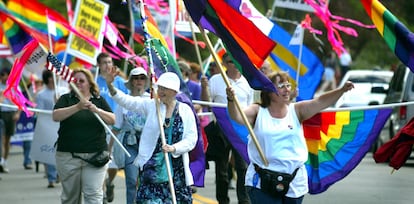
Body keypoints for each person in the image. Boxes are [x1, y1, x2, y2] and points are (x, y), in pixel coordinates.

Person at [226, 71, 354, 203]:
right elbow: (237, 116)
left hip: (294, 182)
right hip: (261, 181)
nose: (287, 89)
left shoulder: (297, 110)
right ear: (269, 91)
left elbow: (320, 101)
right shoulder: (258, 111)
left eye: (288, 85)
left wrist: (341, 90)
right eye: (281, 86)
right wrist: (231, 100)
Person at [105, 71, 198, 204]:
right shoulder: (151, 105)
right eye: (159, 87)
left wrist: (174, 148)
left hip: (177, 170)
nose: (160, 91)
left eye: (165, 88)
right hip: (152, 167)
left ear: (174, 91)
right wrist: (110, 86)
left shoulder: (185, 110)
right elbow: (127, 101)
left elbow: (191, 139)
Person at [53, 68, 115, 204]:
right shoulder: (66, 99)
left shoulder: (98, 100)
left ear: (89, 83)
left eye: (82, 81)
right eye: (75, 81)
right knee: (70, 198)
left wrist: (97, 110)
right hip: (68, 156)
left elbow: (112, 120)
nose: (79, 83)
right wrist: (77, 107)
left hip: (96, 156)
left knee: (93, 195)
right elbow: (55, 116)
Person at [201, 52, 253, 204]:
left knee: (242, 167)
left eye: (237, 61)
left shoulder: (247, 82)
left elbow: (251, 108)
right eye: (231, 61)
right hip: (221, 129)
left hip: (241, 129)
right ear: (224, 64)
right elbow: (206, 104)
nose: (235, 65)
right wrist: (204, 88)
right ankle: (222, 200)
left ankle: (244, 200)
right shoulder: (216, 80)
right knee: (222, 169)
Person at [111, 67, 150, 204]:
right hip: (130, 144)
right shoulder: (124, 100)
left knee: (148, 180)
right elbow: (116, 127)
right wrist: (108, 149)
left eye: (142, 78)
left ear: (146, 81)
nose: (139, 81)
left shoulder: (151, 100)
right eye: (136, 78)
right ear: (131, 81)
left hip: (148, 144)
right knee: (132, 180)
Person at [96, 52, 128, 203]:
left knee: (113, 164)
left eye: (110, 62)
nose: (107, 65)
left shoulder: (120, 82)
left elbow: (128, 101)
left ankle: (109, 182)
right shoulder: (94, 82)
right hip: (99, 127)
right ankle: (101, 194)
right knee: (101, 161)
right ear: (99, 65)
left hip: (116, 127)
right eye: (104, 62)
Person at [35, 70, 62, 188]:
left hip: (61, 126)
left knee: (60, 151)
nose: (57, 76)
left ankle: (59, 173)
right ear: (50, 79)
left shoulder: (62, 91)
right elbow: (39, 112)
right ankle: (51, 177)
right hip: (47, 125)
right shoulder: (41, 94)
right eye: (53, 75)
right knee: (49, 151)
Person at [0, 67, 21, 173]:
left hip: (11, 113)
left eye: (4, 75)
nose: (2, 77)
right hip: (1, 113)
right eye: (1, 75)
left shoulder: (14, 86)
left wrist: (17, 113)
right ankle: (1, 161)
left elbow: (21, 103)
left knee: (7, 140)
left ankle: (4, 160)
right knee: (2, 139)